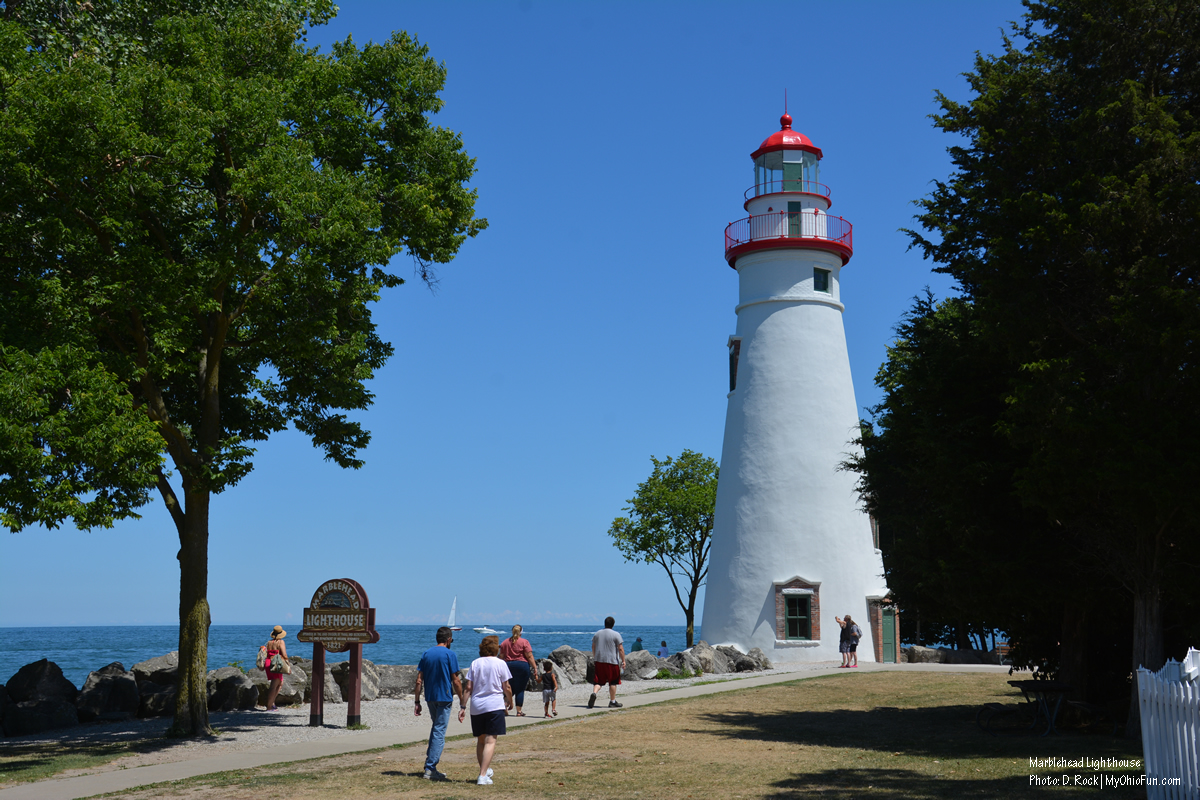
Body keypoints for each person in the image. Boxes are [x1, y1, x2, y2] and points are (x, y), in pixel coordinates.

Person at [413, 626, 466, 781]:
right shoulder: (450, 654)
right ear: (448, 639)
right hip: (444, 696)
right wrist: (462, 700)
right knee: (439, 731)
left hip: (430, 697)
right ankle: (430, 768)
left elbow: (418, 680)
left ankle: (430, 764)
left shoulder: (426, 654)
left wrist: (417, 701)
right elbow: (456, 680)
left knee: (436, 727)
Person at [459, 635, 513, 785]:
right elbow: (506, 686)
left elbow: (468, 687)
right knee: (491, 740)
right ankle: (482, 775)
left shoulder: (475, 663)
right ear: (496, 649)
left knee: (481, 740)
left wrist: (463, 706)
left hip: (477, 705)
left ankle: (484, 770)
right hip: (494, 705)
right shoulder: (500, 663)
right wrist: (510, 700)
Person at [498, 624, 538, 716]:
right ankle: (519, 711)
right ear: (521, 632)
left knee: (507, 687)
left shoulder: (505, 642)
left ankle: (504, 704)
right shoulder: (524, 642)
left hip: (508, 666)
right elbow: (529, 656)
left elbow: (501, 657)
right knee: (520, 689)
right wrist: (535, 667)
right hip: (522, 665)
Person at [589, 616, 625, 709]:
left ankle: (594, 693)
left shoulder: (597, 634)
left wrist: (595, 657)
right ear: (613, 624)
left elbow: (593, 646)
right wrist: (623, 660)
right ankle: (612, 701)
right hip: (612, 661)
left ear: (604, 623)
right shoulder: (616, 634)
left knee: (599, 681)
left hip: (599, 661)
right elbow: (620, 649)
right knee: (613, 682)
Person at [263, 625, 289, 710]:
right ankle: (269, 707)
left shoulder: (269, 642)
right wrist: (288, 664)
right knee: (274, 686)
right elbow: (284, 654)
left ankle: (272, 702)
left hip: (268, 662)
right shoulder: (281, 642)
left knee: (280, 683)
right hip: (276, 664)